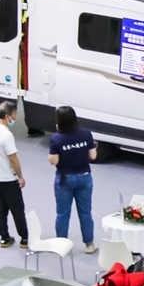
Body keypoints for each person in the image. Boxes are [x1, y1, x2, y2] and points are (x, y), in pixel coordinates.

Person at [48, 105, 99, 252]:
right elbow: (93, 156)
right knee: (85, 212)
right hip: (84, 177)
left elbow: (54, 161)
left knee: (63, 213)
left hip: (65, 179)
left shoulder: (56, 138)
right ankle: (89, 244)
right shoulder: (86, 134)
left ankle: (61, 245)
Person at [0, 100, 28, 249]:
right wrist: (20, 176)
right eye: (15, 114)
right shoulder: (6, 135)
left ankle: (4, 238)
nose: (16, 117)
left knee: (2, 208)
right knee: (17, 208)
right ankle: (24, 238)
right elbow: (13, 158)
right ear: (8, 116)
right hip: (8, 178)